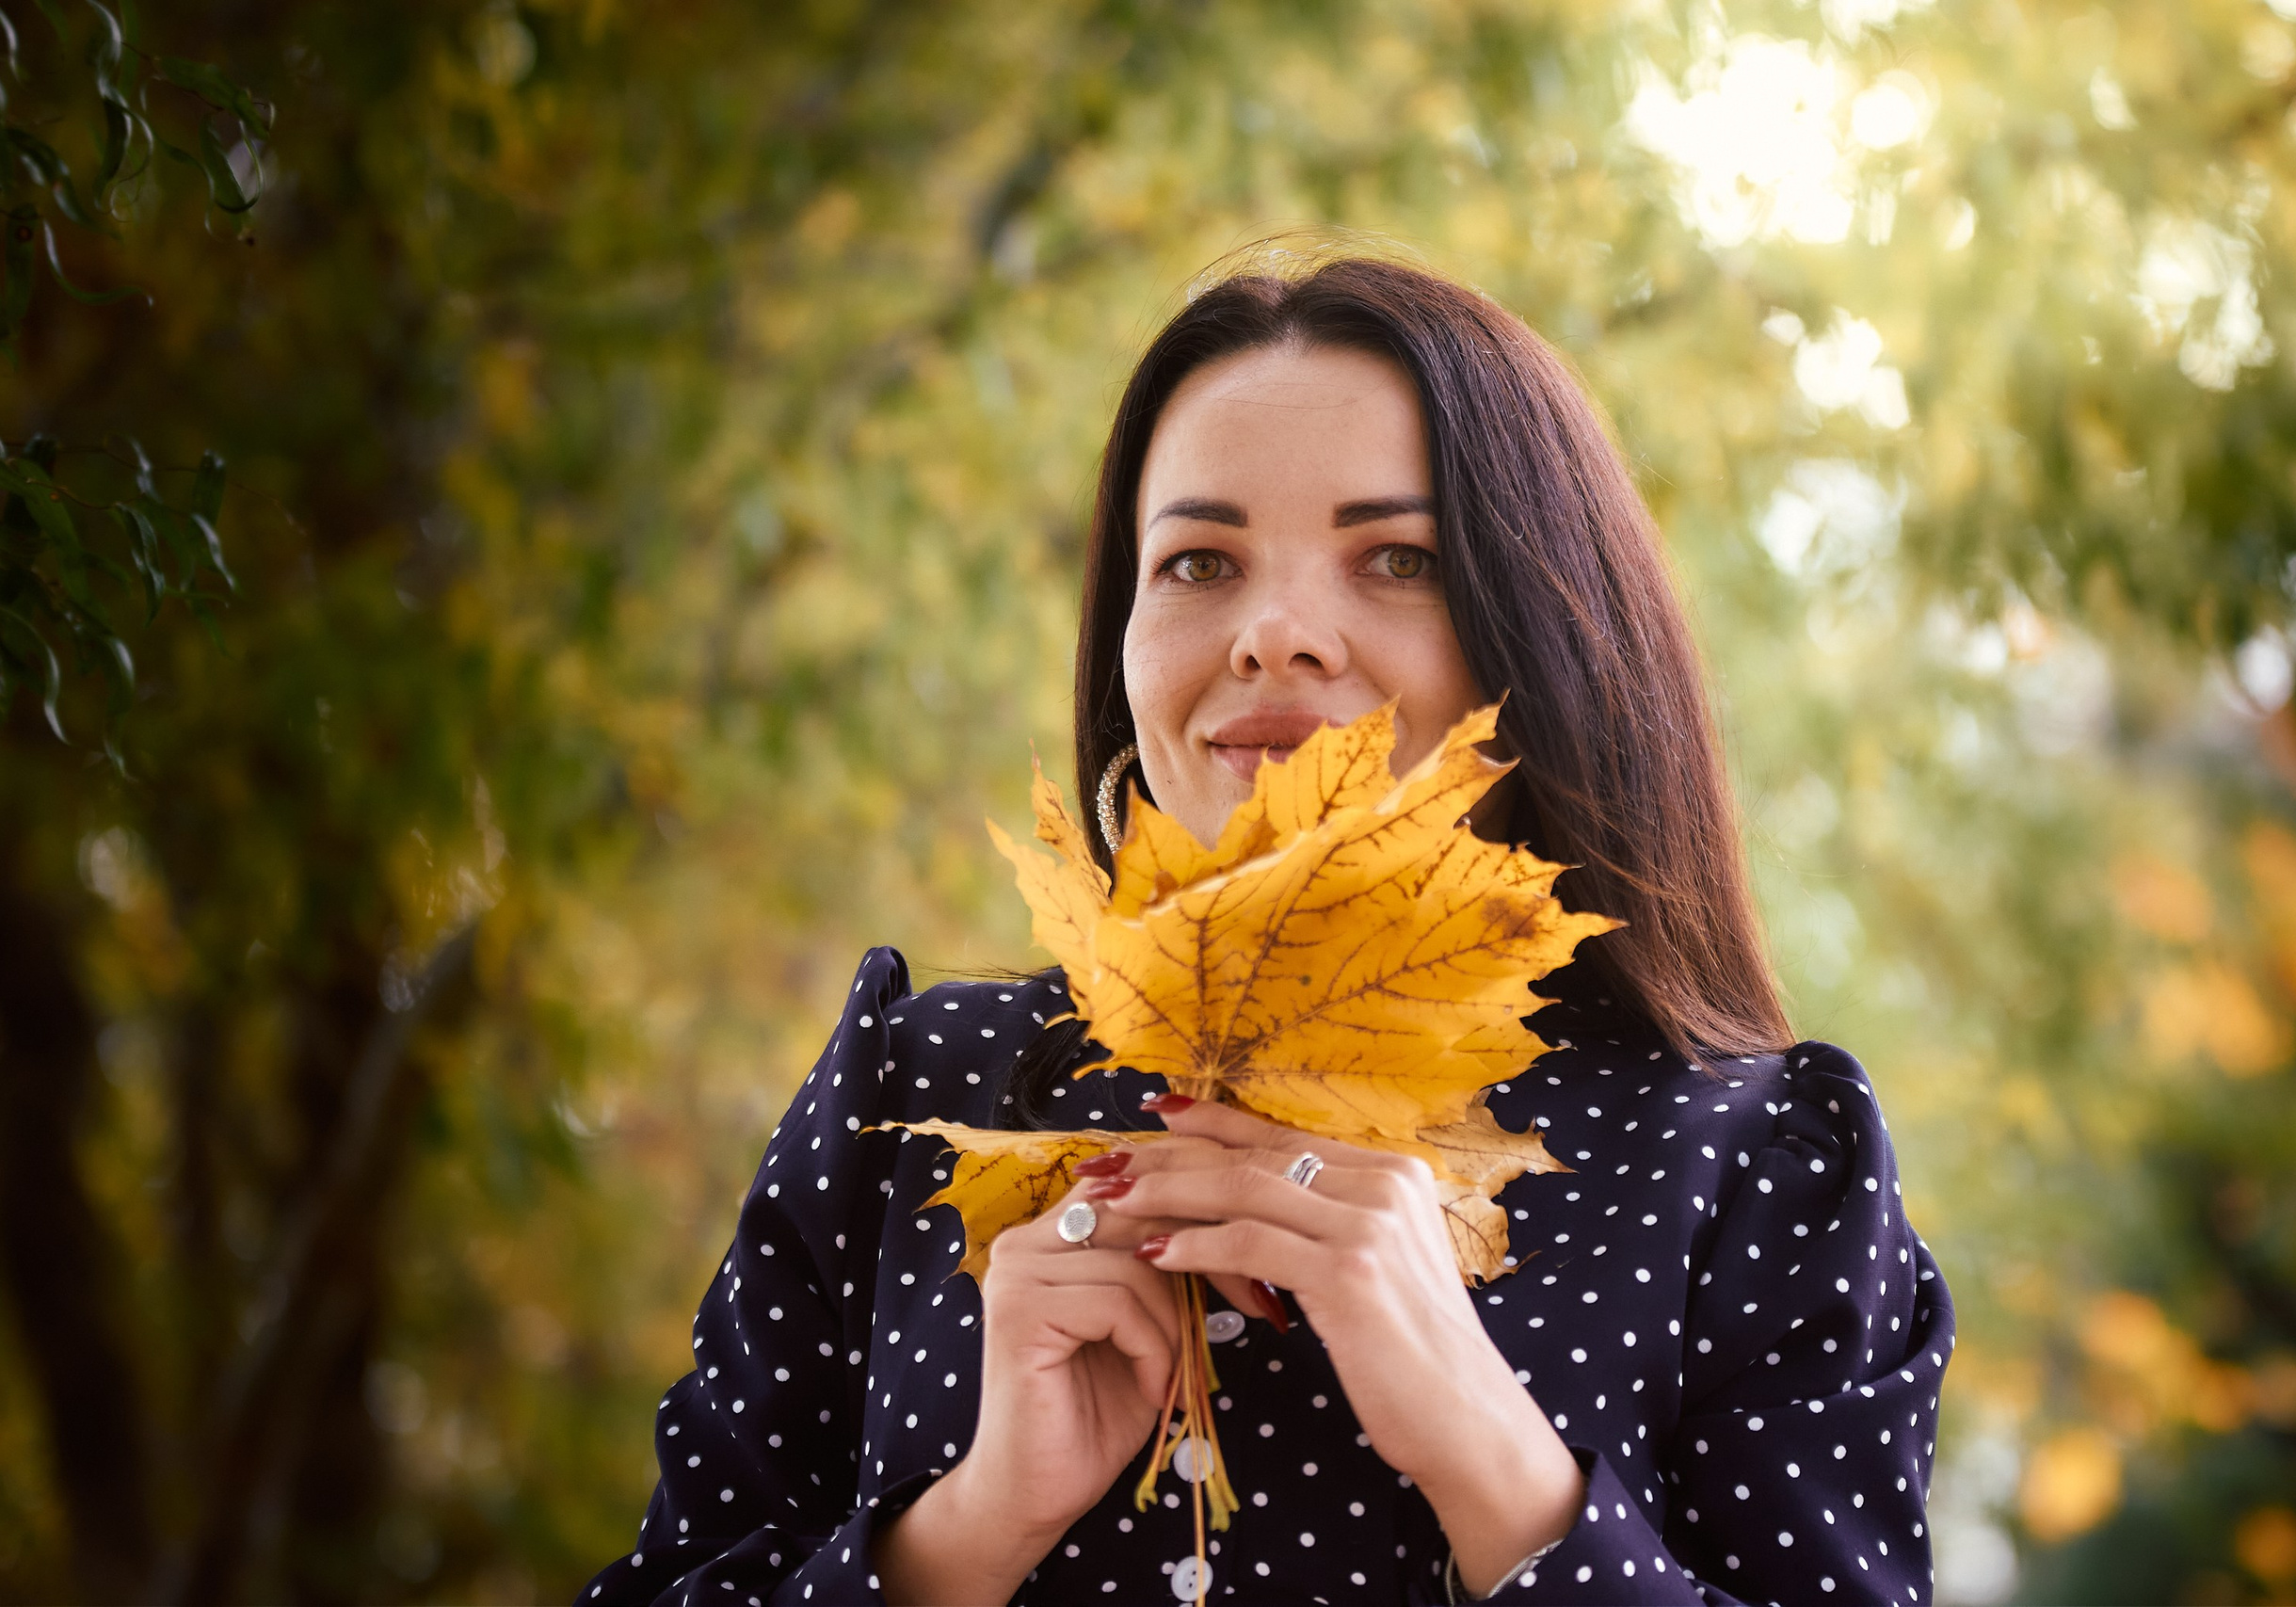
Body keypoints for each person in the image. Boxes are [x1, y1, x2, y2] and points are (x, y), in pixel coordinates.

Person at [578, 251, 1953, 1606]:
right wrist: (966, 1533)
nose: (1275, 633)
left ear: (1547, 634)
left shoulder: (1753, 1167)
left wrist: (1491, 1459)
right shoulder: (915, 1099)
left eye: (1399, 558)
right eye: (1198, 562)